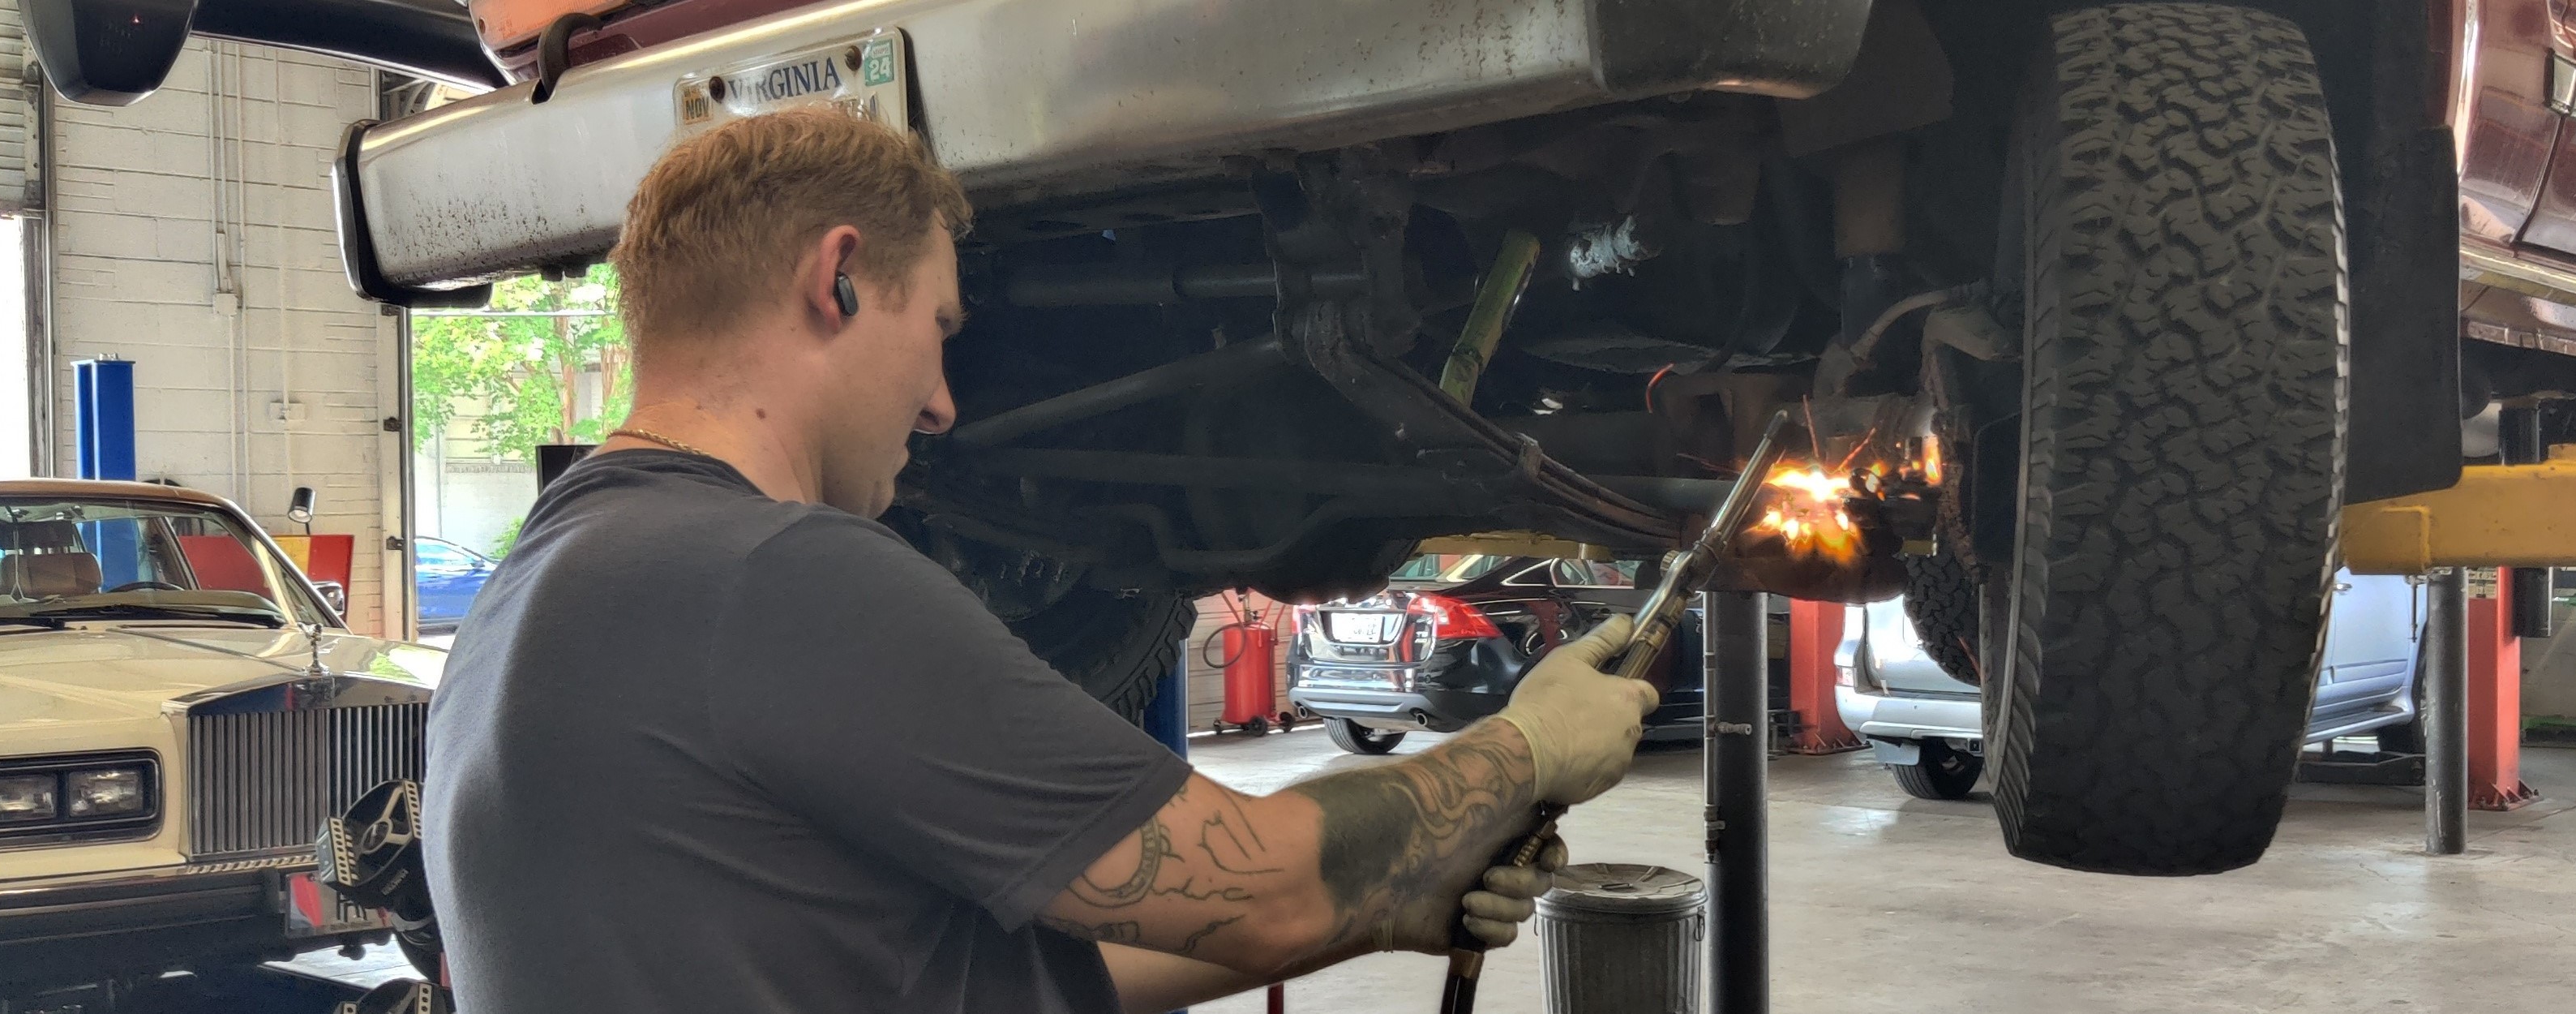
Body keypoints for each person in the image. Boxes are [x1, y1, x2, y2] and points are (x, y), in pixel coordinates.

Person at [422, 105, 1660, 1014]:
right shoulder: (772, 578)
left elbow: (981, 974)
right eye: (938, 330)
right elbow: (1263, 880)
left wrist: (1387, 904)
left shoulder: (545, 580)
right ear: (840, 279)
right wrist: (1526, 747)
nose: (945, 403)